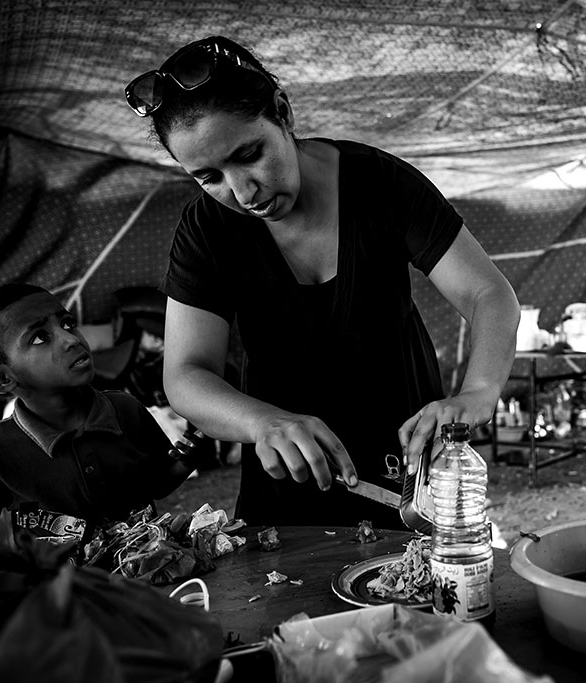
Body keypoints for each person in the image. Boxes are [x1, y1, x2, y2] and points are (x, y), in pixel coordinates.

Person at [123, 36, 519, 527]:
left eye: (249, 154)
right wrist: (262, 422)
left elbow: (488, 294)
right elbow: (185, 375)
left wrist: (478, 390)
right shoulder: (207, 230)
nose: (244, 193)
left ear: (283, 112)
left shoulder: (380, 184)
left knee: (417, 582)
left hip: (406, 446)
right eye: (209, 177)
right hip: (288, 469)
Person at [0, 284, 198, 548]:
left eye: (67, 323)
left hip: (146, 569)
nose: (72, 339)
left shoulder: (124, 409)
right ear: (1, 378)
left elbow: (157, 484)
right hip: (60, 587)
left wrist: (189, 457)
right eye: (40, 338)